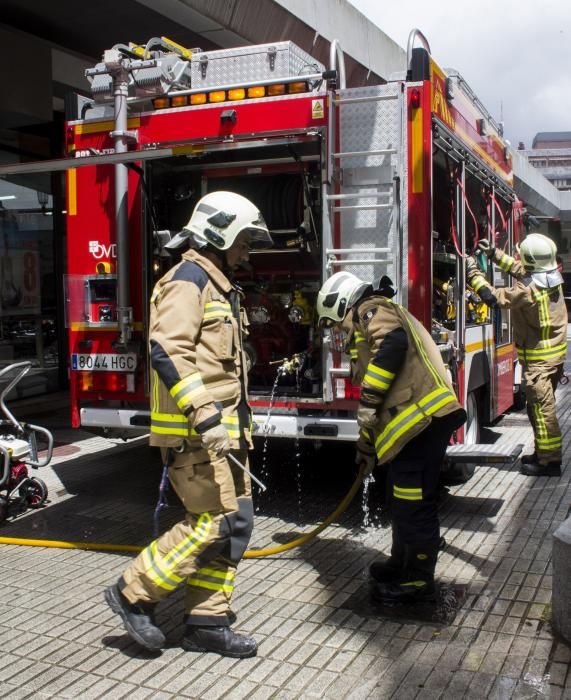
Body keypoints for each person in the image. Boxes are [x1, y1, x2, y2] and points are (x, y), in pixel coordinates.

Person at [105, 191, 272, 657]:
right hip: (197, 433)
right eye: (244, 240)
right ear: (219, 233)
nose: (247, 251)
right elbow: (168, 351)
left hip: (225, 433)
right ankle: (132, 592)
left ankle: (206, 623)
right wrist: (204, 414)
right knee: (212, 523)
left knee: (236, 523)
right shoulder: (188, 279)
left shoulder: (219, 284)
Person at [316, 272, 466, 603]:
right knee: (397, 497)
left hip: (424, 423)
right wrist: (366, 448)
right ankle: (401, 562)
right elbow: (377, 402)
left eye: (336, 323)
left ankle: (419, 576)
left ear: (342, 305)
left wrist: (369, 402)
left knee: (413, 502)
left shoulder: (371, 308)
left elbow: (394, 344)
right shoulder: (367, 323)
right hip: (413, 428)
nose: (339, 332)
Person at [470, 233, 567, 477]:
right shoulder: (551, 277)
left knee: (543, 413)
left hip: (539, 362)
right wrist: (494, 254)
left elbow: (493, 297)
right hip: (551, 359)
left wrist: (473, 275)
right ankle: (542, 454)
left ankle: (550, 462)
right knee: (539, 410)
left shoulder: (529, 291)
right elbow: (519, 268)